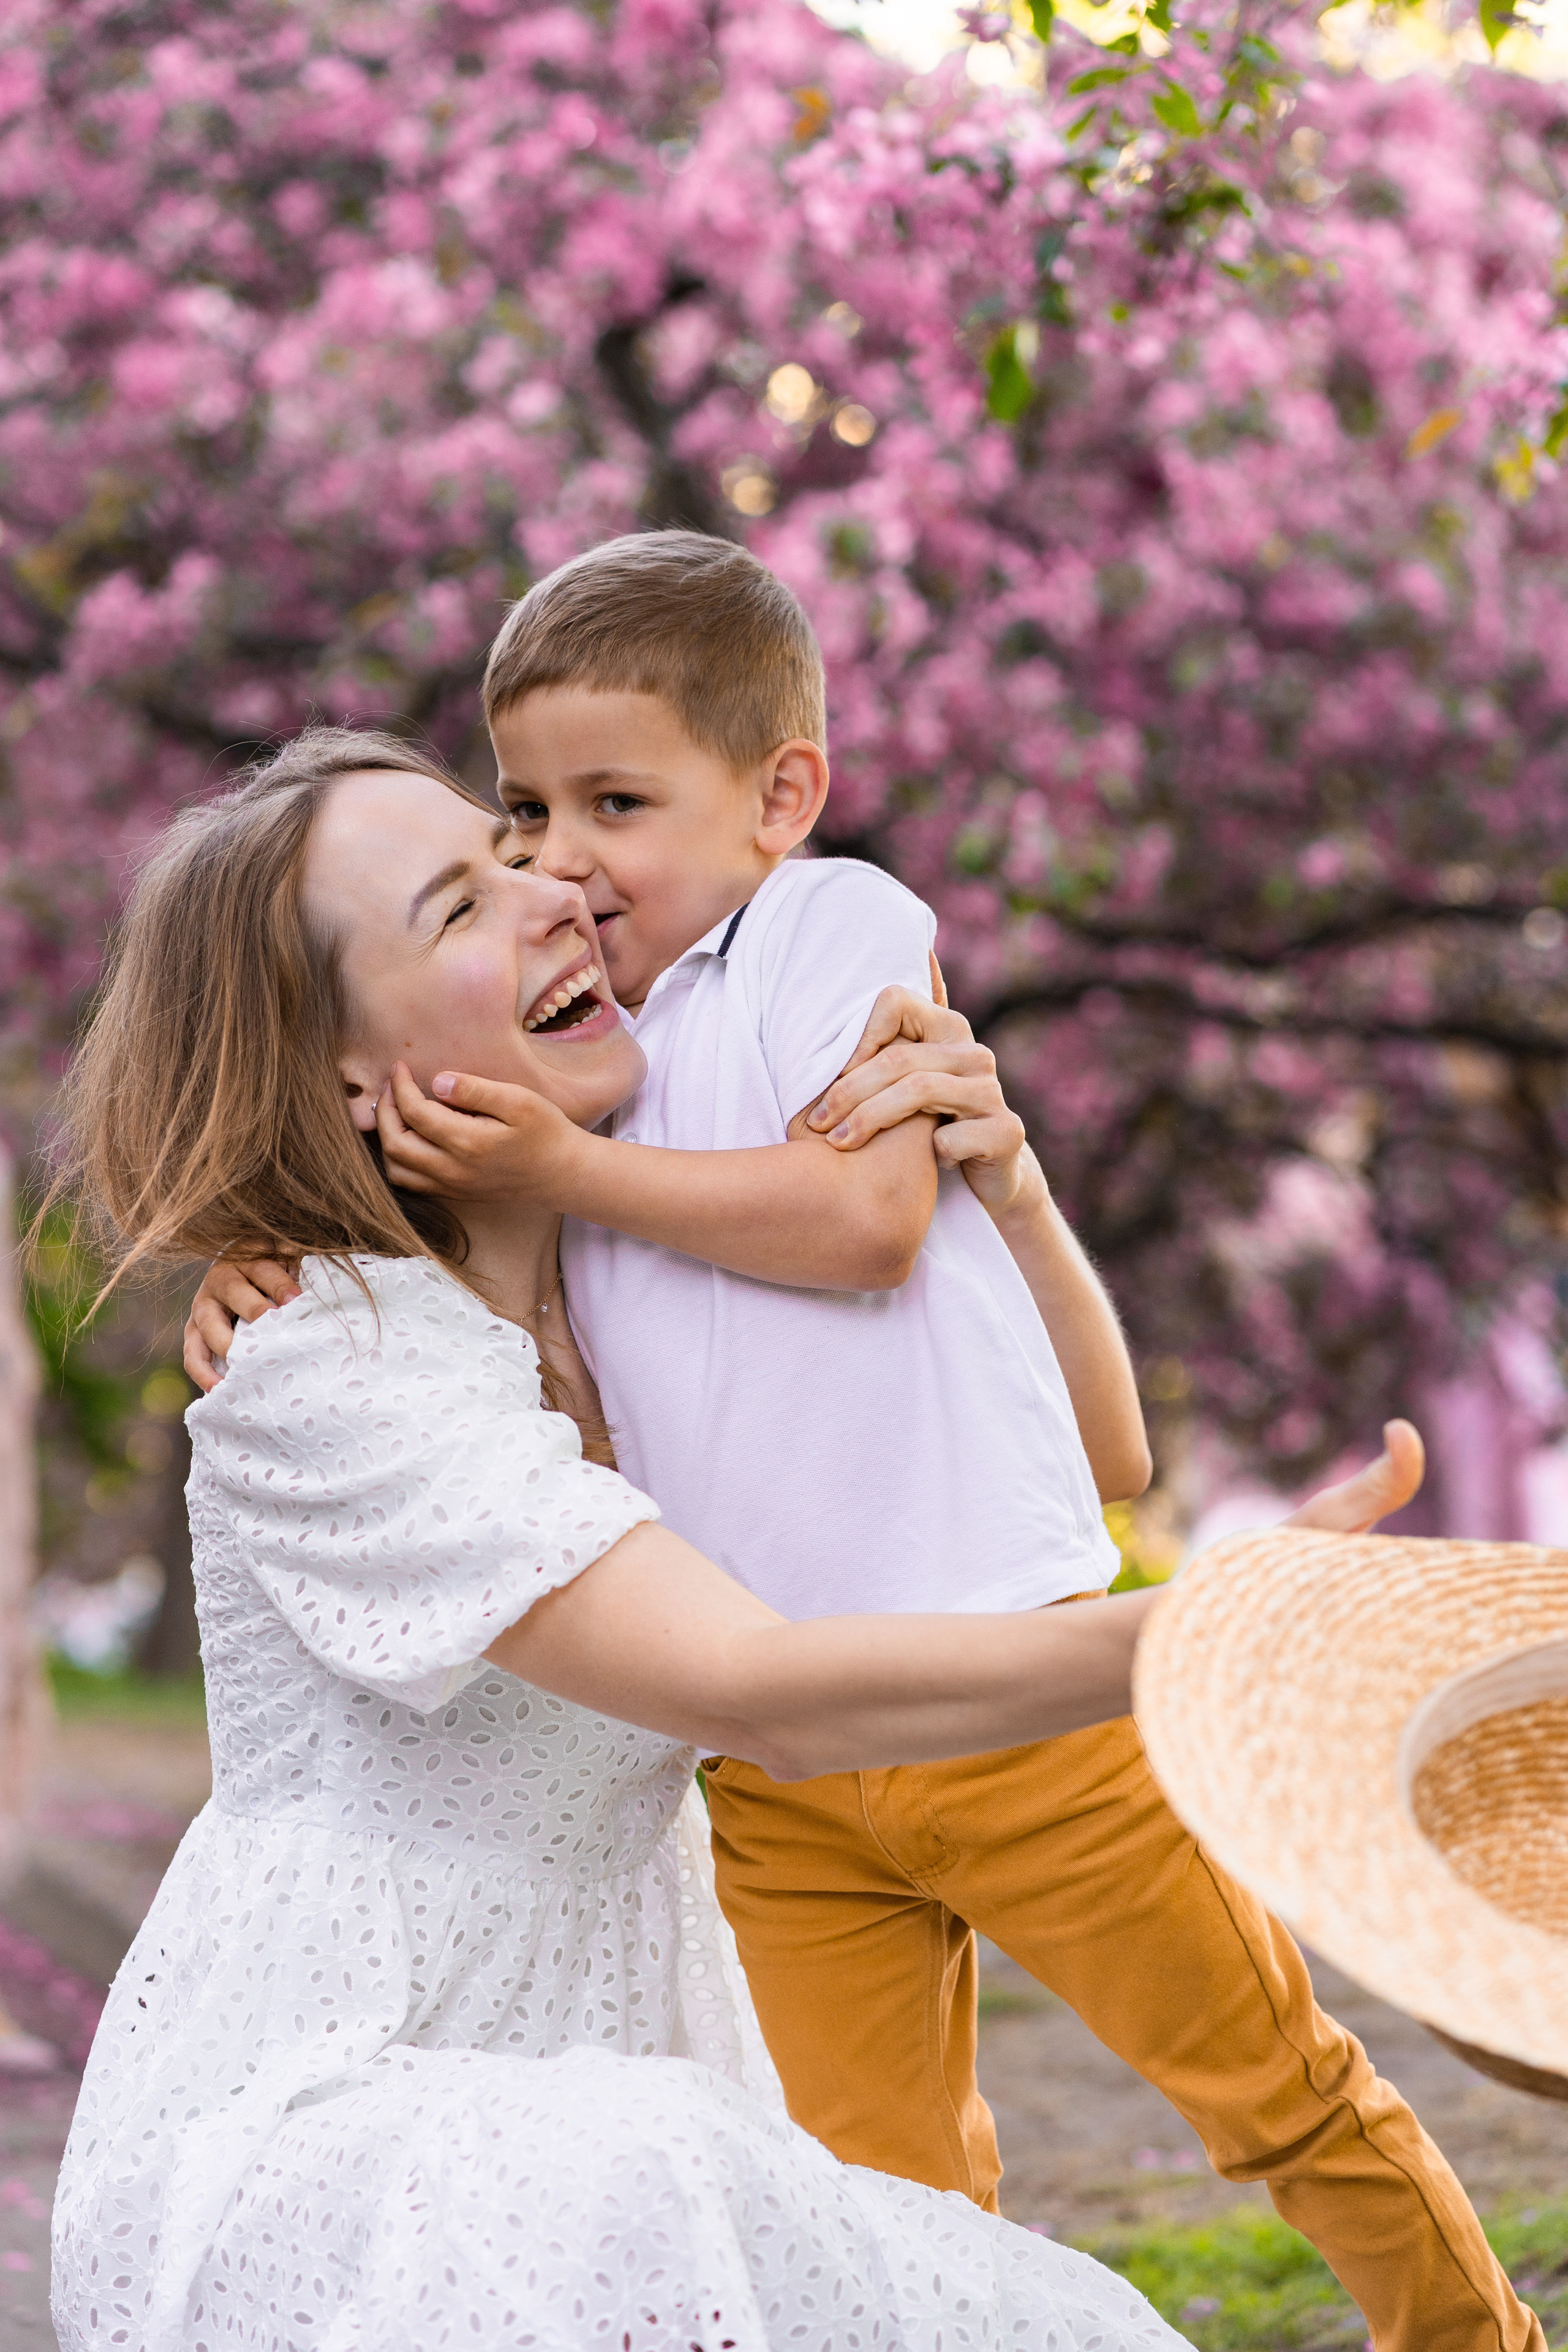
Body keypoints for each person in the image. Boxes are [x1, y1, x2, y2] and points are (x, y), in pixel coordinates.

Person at [185, 533, 1539, 2352]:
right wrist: (296, 1254)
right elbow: (512, 1364)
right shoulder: (605, 1098)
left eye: (616, 801)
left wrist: (578, 1169)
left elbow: (878, 1231)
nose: (562, 860)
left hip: (1024, 1712)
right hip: (785, 1785)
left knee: (1273, 2091)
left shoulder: (821, 935)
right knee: (877, 2212)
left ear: (781, 798)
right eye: (523, 814)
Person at [45, 731, 1196, 2351]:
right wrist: (1219, 1640)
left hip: (620, 2113)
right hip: (330, 2144)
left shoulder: (651, 1287)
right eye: (461, 905)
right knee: (645, 2192)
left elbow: (1084, 1464)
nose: (557, 891)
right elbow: (760, 1688)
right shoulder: (326, 1362)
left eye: (513, 851)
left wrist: (1004, 1189)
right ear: (345, 1083)